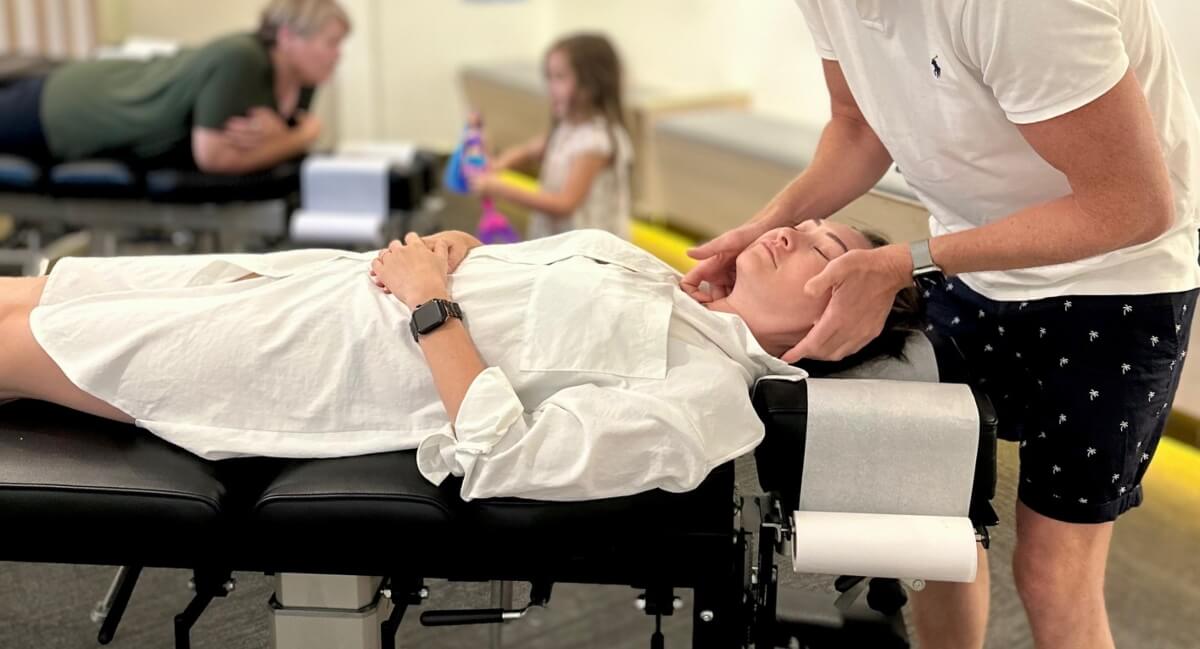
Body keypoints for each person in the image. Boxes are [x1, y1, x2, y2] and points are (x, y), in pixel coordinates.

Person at [679, 2, 1200, 648]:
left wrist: (908, 263)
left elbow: (1134, 203)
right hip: (974, 262)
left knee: (1052, 576)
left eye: (825, 245)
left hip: (1117, 283)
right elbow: (855, 126)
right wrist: (763, 225)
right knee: (936, 528)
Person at [0, 221, 915, 502]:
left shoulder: (706, 399)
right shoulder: (660, 280)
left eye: (822, 254)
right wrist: (456, 247)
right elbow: (522, 273)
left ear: (831, 325)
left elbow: (508, 454)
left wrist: (428, 305)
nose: (794, 231)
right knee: (26, 291)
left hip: (302, 360)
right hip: (315, 284)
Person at [0, 0, 350, 175]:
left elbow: (267, 147)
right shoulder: (242, 58)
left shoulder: (301, 81)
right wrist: (300, 138)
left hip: (88, 97)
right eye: (330, 43)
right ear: (288, 38)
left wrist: (284, 140)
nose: (337, 55)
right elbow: (214, 156)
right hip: (68, 106)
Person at [470, 33, 634, 241]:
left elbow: (564, 204)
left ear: (590, 85)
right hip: (560, 242)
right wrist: (499, 164)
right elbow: (530, 150)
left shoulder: (595, 143)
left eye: (560, 78)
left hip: (590, 252)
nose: (550, 87)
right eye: (549, 77)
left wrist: (500, 188)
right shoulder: (568, 125)